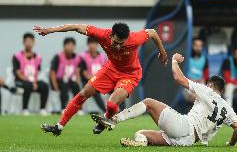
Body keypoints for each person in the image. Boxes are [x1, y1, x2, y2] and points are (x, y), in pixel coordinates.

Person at [34, 22, 167, 136]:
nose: (118, 46)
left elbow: (153, 33)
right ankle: (59, 126)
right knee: (83, 94)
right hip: (111, 69)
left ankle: (107, 119)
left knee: (111, 104)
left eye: (122, 43)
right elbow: (75, 27)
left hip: (130, 74)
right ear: (111, 35)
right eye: (115, 42)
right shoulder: (102, 34)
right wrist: (50, 30)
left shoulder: (134, 39)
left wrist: (163, 53)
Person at [95, 53, 237, 147]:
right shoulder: (228, 108)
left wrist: (174, 61)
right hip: (190, 141)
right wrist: (231, 144)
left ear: (210, 85)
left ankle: (114, 120)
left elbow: (179, 78)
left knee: (148, 102)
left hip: (185, 126)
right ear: (222, 90)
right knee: (141, 133)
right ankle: (140, 143)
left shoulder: (207, 90)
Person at [12, 33, 49, 116]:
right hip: (20, 81)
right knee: (28, 85)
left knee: (44, 86)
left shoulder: (38, 57)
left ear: (34, 42)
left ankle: (42, 109)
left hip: (33, 81)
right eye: (27, 41)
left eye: (31, 41)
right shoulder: (17, 56)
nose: (29, 43)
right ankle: (25, 109)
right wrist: (30, 82)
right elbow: (17, 73)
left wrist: (35, 82)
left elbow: (37, 72)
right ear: (23, 42)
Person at [49, 37, 81, 114]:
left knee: (76, 87)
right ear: (64, 46)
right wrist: (55, 86)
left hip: (70, 80)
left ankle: (79, 109)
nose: (70, 47)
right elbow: (52, 72)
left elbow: (77, 72)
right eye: (68, 45)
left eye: (72, 45)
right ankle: (63, 108)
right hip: (58, 80)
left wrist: (78, 82)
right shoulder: (58, 57)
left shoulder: (77, 58)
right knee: (64, 86)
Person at [80, 37, 107, 113]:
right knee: (94, 90)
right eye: (90, 43)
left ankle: (119, 110)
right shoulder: (83, 57)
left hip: (102, 81)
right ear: (88, 45)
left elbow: (106, 71)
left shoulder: (102, 57)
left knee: (117, 88)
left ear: (97, 45)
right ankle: (105, 111)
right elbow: (84, 73)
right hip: (88, 82)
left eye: (94, 43)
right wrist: (95, 80)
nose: (92, 46)